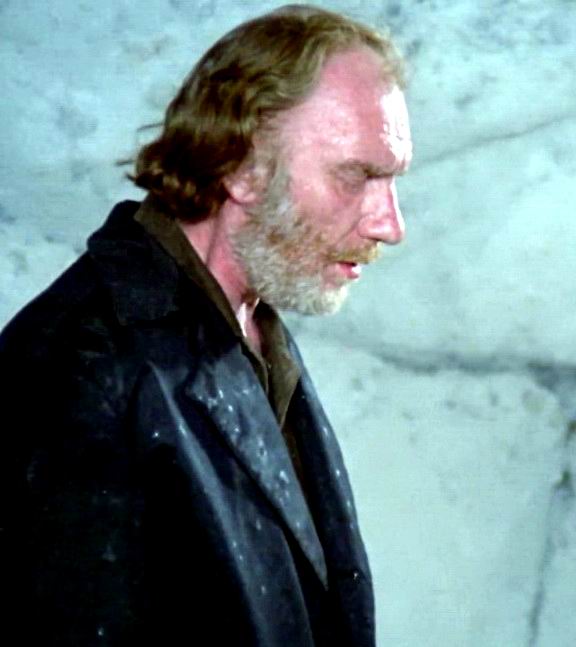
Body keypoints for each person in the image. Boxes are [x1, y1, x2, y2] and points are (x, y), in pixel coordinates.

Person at [0, 5, 411, 646]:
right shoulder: (79, 368)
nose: (390, 225)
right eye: (357, 176)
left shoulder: (248, 323)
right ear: (243, 167)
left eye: (391, 180)